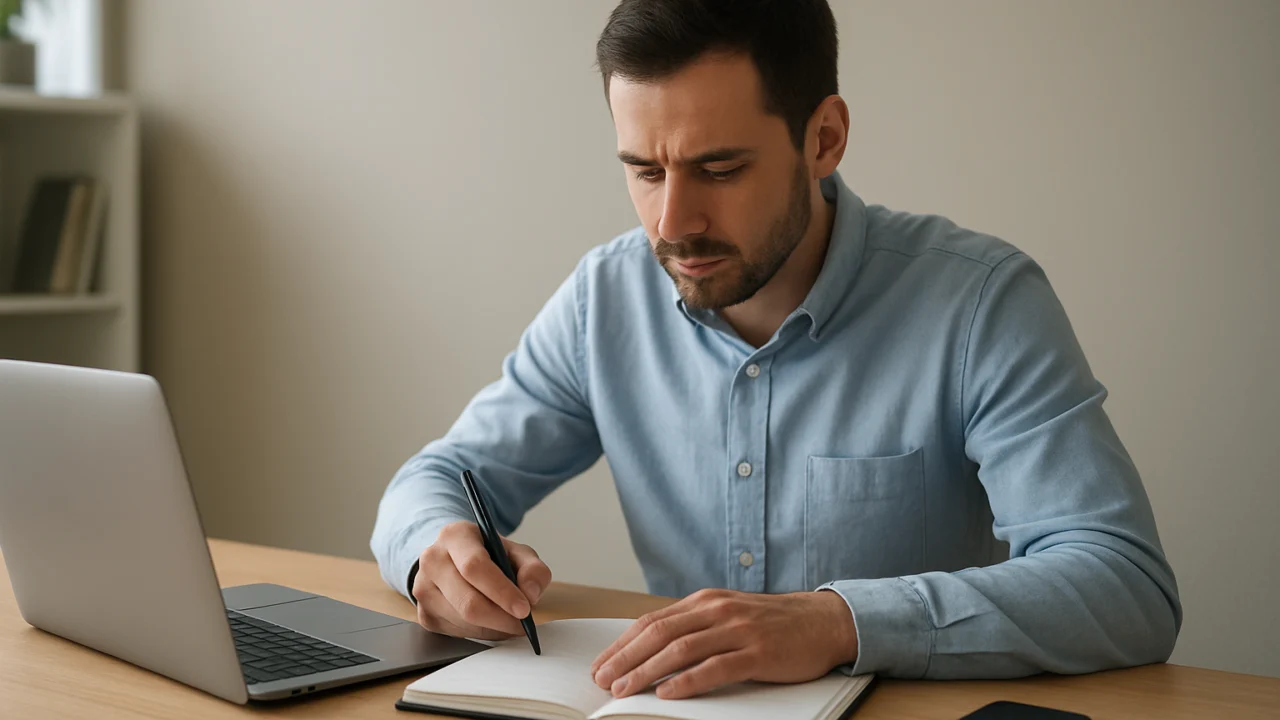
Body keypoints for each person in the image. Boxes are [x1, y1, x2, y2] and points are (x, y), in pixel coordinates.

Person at [371, 0, 1181, 701]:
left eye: (718, 168)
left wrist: (837, 622)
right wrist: (434, 553)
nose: (671, 224)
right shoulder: (605, 299)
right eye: (645, 170)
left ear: (824, 139)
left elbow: (1124, 583)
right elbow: (435, 481)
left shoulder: (979, 303)